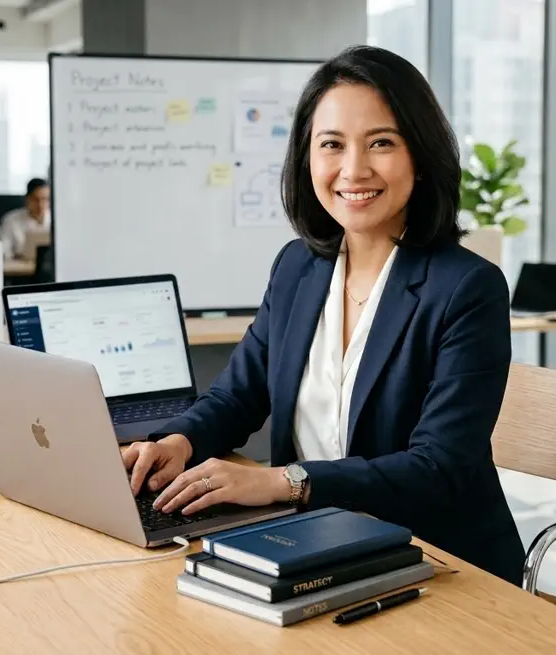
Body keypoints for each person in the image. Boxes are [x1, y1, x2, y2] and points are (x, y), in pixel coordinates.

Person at [122, 45, 525, 585]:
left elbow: (438, 469)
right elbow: (238, 395)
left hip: (434, 559)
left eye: (381, 143)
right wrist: (179, 443)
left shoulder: (467, 289)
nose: (353, 169)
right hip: (311, 543)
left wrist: (284, 482)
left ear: (420, 158)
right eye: (331, 144)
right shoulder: (298, 267)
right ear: (307, 157)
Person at [0, 177, 51, 260]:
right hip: (20, 269)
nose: (41, 205)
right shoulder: (11, 220)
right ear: (27, 199)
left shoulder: (56, 221)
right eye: (36, 200)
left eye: (45, 199)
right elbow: (3, 251)